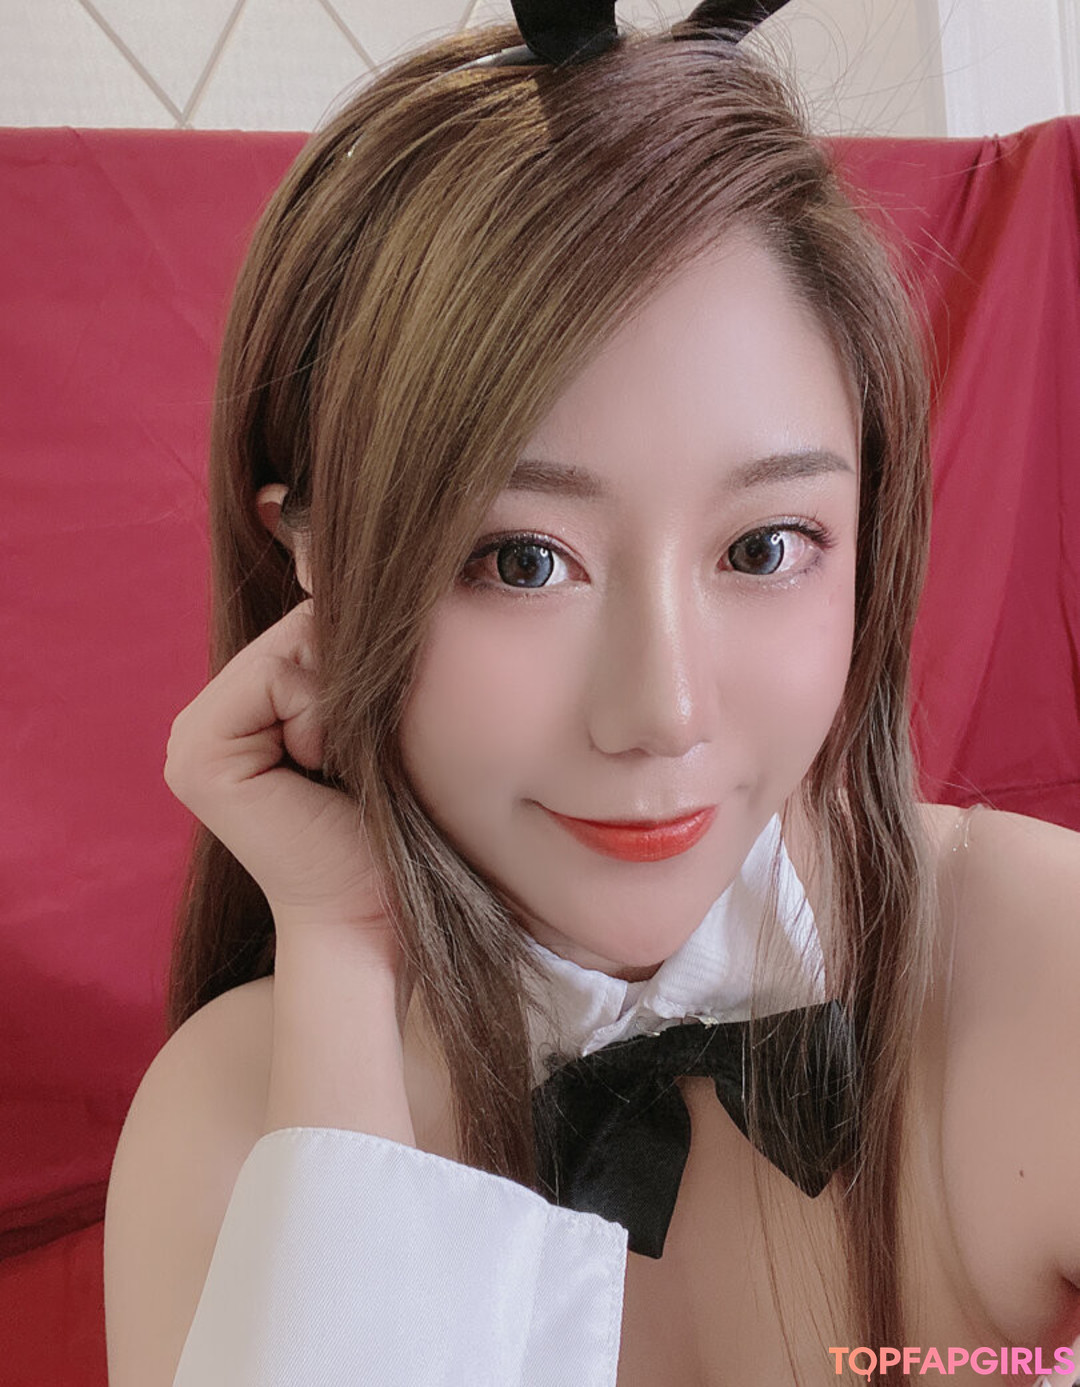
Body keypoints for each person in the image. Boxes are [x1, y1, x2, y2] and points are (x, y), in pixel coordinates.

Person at [102, 8, 1080, 1386]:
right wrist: (343, 957)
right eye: (522, 560)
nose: (662, 713)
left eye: (764, 548)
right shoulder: (228, 1126)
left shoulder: (1041, 960)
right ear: (315, 557)